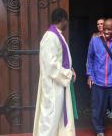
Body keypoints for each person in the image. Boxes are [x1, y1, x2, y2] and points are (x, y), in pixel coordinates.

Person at [33, 8, 76, 136]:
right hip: (53, 86)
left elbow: (61, 59)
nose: (67, 23)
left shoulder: (57, 35)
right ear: (62, 19)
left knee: (58, 116)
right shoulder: (50, 37)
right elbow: (51, 65)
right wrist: (68, 74)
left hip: (59, 83)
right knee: (50, 119)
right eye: (66, 20)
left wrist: (71, 70)